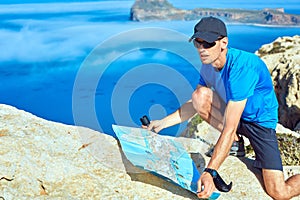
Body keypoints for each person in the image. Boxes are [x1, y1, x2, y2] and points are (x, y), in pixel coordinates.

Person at [144, 16, 300, 199]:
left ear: (223, 43)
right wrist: (162, 123)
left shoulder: (242, 68)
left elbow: (229, 126)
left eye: (208, 44)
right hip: (235, 115)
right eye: (198, 43)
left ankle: (234, 142)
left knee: (279, 192)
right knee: (199, 95)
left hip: (260, 124)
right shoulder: (208, 65)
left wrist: (211, 172)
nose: (202, 50)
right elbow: (195, 103)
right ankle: (236, 143)